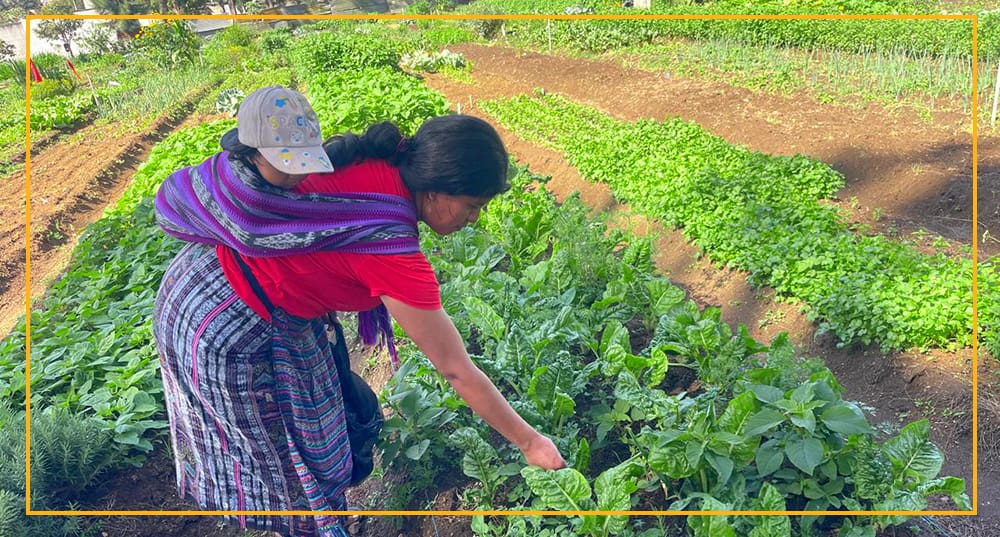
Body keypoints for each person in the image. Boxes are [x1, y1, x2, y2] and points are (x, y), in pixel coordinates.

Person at [152, 85, 566, 537]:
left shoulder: (383, 163)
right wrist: (529, 441)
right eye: (472, 206)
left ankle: (324, 522)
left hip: (219, 282)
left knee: (326, 428)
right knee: (284, 455)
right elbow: (455, 369)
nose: (474, 219)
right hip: (224, 319)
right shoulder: (391, 249)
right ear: (435, 190)